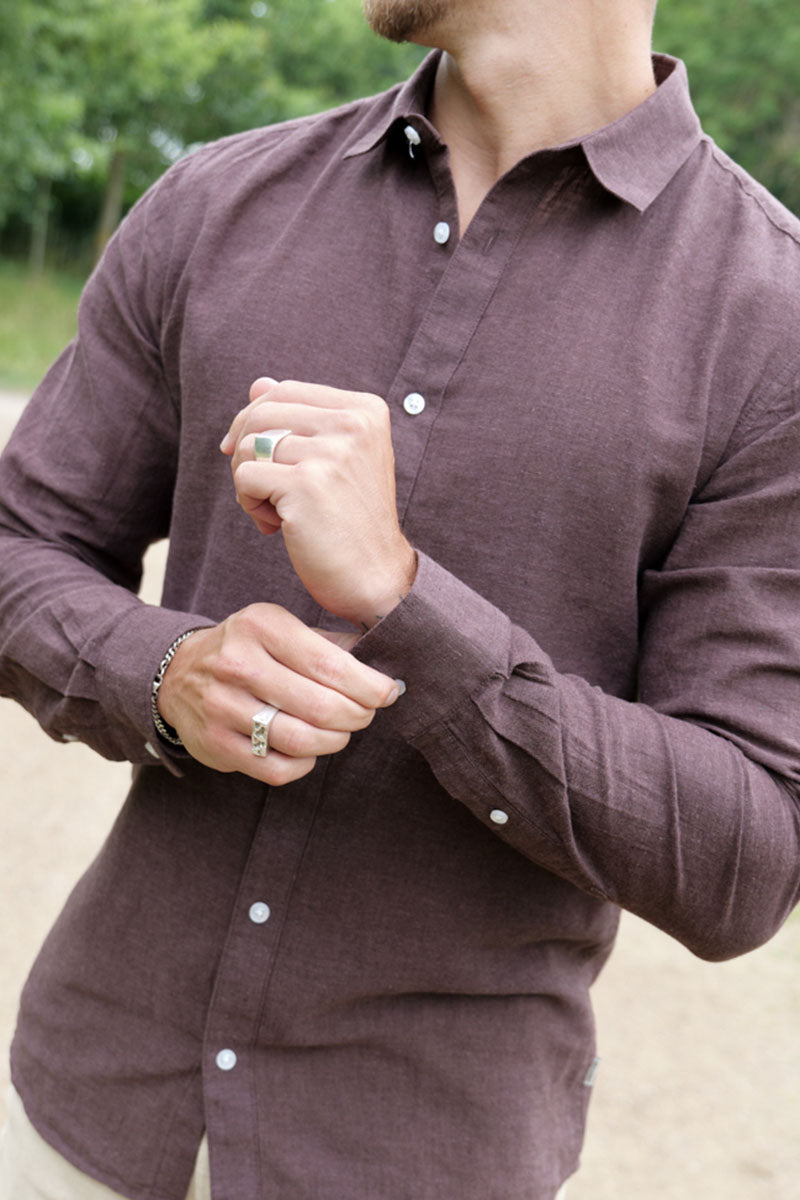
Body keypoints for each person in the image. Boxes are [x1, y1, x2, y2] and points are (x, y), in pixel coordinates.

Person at [1, 0, 800, 1197]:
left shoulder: (771, 322)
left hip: (421, 1155)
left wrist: (408, 604)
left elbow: (740, 859)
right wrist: (163, 673)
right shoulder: (215, 203)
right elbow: (21, 541)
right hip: (85, 1114)